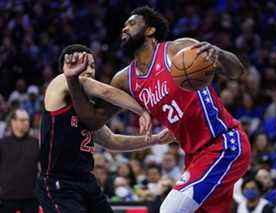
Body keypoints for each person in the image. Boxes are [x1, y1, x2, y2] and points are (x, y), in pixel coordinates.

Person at [107, 6, 251, 212]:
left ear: (150, 30)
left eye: (131, 23)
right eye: (124, 25)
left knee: (169, 210)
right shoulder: (123, 80)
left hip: (223, 143)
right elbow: (98, 119)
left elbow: (236, 71)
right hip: (194, 156)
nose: (124, 28)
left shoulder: (178, 50)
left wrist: (219, 54)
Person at [35, 44, 174, 213]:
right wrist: (141, 110)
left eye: (93, 66)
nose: (89, 70)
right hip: (59, 183)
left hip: (86, 180)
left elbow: (112, 140)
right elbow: (106, 92)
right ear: (67, 66)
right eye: (83, 64)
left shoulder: (88, 109)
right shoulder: (59, 83)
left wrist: (156, 139)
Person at [0, 109, 39, 213]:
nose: (26, 123)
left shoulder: (36, 143)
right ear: (13, 122)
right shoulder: (2, 144)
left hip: (31, 198)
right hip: (6, 198)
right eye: (22, 120)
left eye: (27, 120)